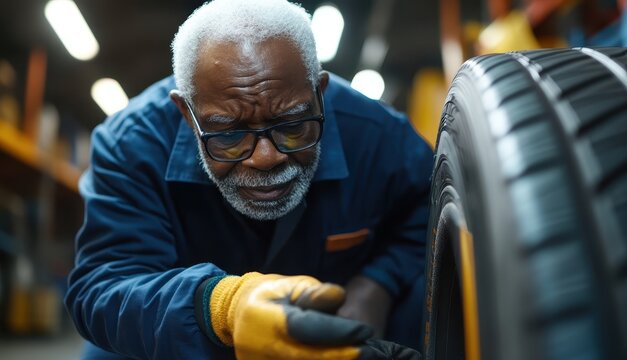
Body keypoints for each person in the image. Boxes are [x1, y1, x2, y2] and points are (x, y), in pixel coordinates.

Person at [65, 0, 434, 358]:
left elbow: (428, 213)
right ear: (186, 114)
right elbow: (102, 287)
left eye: (292, 124)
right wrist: (223, 308)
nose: (266, 157)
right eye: (227, 134)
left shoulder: (379, 138)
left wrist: (377, 284)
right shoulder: (131, 145)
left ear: (319, 93)